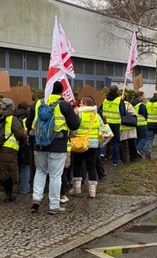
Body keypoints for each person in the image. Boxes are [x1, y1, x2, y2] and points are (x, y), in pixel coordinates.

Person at [27, 80, 81, 214]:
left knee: (40, 171)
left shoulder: (38, 103)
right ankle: (54, 205)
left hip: (39, 144)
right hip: (58, 144)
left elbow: (28, 123)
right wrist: (77, 115)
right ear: (61, 91)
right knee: (55, 175)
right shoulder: (64, 105)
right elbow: (74, 125)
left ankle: (36, 199)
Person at [0, 97, 26, 202]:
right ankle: (8, 195)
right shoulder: (12, 119)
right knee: (8, 173)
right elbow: (20, 135)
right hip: (8, 150)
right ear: (11, 107)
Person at [69, 95, 104, 198]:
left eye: (81, 103)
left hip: (80, 143)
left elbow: (74, 128)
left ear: (85, 104)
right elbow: (101, 127)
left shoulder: (79, 113)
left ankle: (77, 189)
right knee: (91, 166)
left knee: (77, 164)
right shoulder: (96, 115)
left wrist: (72, 135)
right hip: (93, 143)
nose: (79, 104)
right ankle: (92, 191)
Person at [100, 85, 123, 165]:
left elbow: (100, 109)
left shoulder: (105, 99)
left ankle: (102, 154)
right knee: (115, 142)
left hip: (106, 122)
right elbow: (123, 112)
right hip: (116, 123)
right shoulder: (119, 100)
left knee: (104, 139)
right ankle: (115, 161)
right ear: (117, 91)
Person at [13, 100, 32, 195]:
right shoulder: (27, 118)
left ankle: (19, 185)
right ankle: (25, 189)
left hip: (13, 145)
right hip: (26, 145)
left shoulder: (12, 117)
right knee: (26, 166)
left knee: (19, 165)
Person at [131, 91, 149, 157]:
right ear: (140, 96)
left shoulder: (132, 103)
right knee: (144, 137)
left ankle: (136, 151)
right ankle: (138, 149)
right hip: (142, 123)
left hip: (134, 122)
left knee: (138, 138)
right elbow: (144, 114)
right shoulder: (141, 104)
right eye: (143, 96)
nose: (144, 97)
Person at [145, 91, 157, 157]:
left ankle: (148, 153)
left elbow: (145, 113)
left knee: (149, 139)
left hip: (149, 123)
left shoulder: (148, 103)